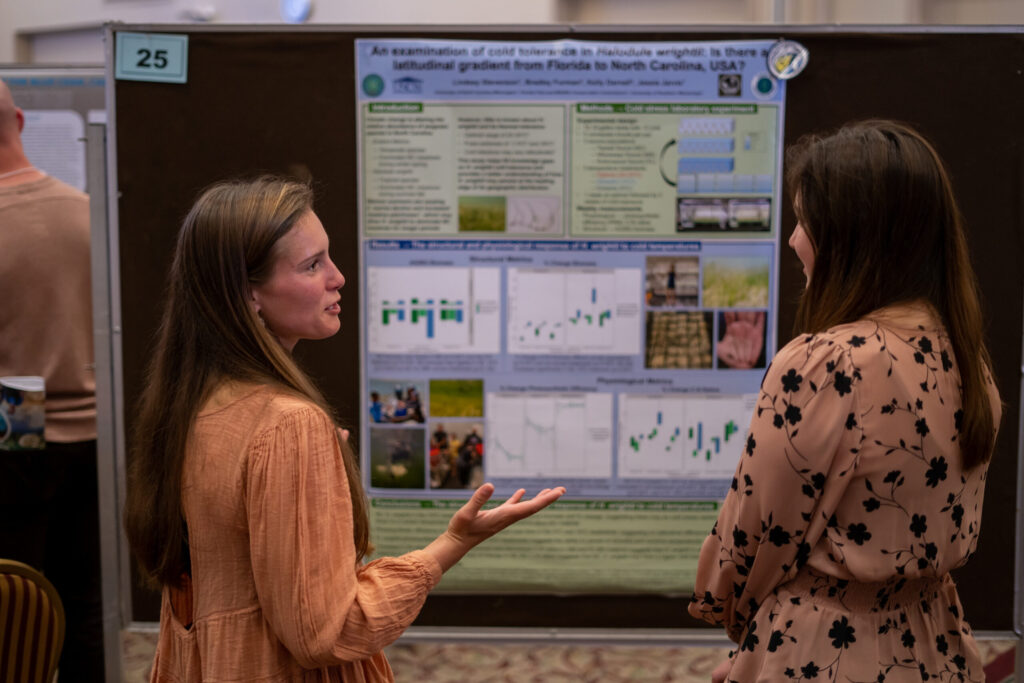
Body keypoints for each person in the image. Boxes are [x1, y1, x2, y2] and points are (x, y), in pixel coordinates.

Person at [123, 176, 565, 682]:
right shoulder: (288, 427)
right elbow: (326, 632)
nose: (338, 278)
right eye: (312, 265)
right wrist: (451, 544)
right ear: (248, 295)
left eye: (328, 258)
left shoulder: (192, 403)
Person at [689, 120, 1001, 683]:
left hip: (824, 648)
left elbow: (757, 535)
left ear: (853, 234)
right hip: (935, 638)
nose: (793, 240)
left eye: (806, 221)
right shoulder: (965, 357)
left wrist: (742, 624)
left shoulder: (827, 363)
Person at [0, 79, 105, 679]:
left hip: (15, 424)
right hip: (94, 431)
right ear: (18, 120)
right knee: (83, 603)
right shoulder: (88, 212)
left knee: (15, 604)